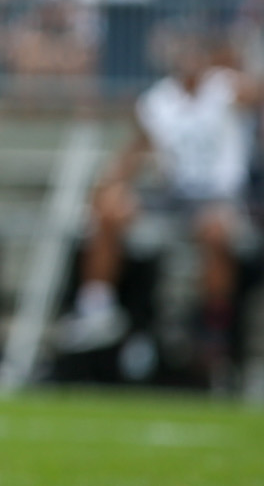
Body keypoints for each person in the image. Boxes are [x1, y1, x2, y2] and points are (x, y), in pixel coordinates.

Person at [59, 26, 259, 386]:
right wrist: (108, 183)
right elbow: (138, 150)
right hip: (174, 192)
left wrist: (233, 61)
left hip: (218, 194)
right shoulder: (159, 100)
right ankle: (96, 307)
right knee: (110, 207)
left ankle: (214, 325)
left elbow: (254, 94)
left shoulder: (225, 87)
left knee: (214, 231)